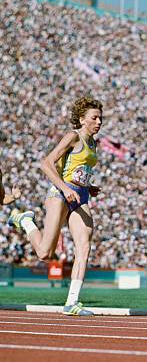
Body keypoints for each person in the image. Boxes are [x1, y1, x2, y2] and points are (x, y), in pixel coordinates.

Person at [8, 96, 103, 316]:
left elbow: (78, 170)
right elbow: (46, 163)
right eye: (94, 117)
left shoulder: (93, 142)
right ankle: (26, 221)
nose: (99, 122)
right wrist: (65, 188)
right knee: (44, 253)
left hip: (80, 196)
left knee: (84, 245)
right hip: (60, 194)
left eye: (100, 118)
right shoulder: (73, 136)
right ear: (82, 119)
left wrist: (88, 187)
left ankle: (72, 302)